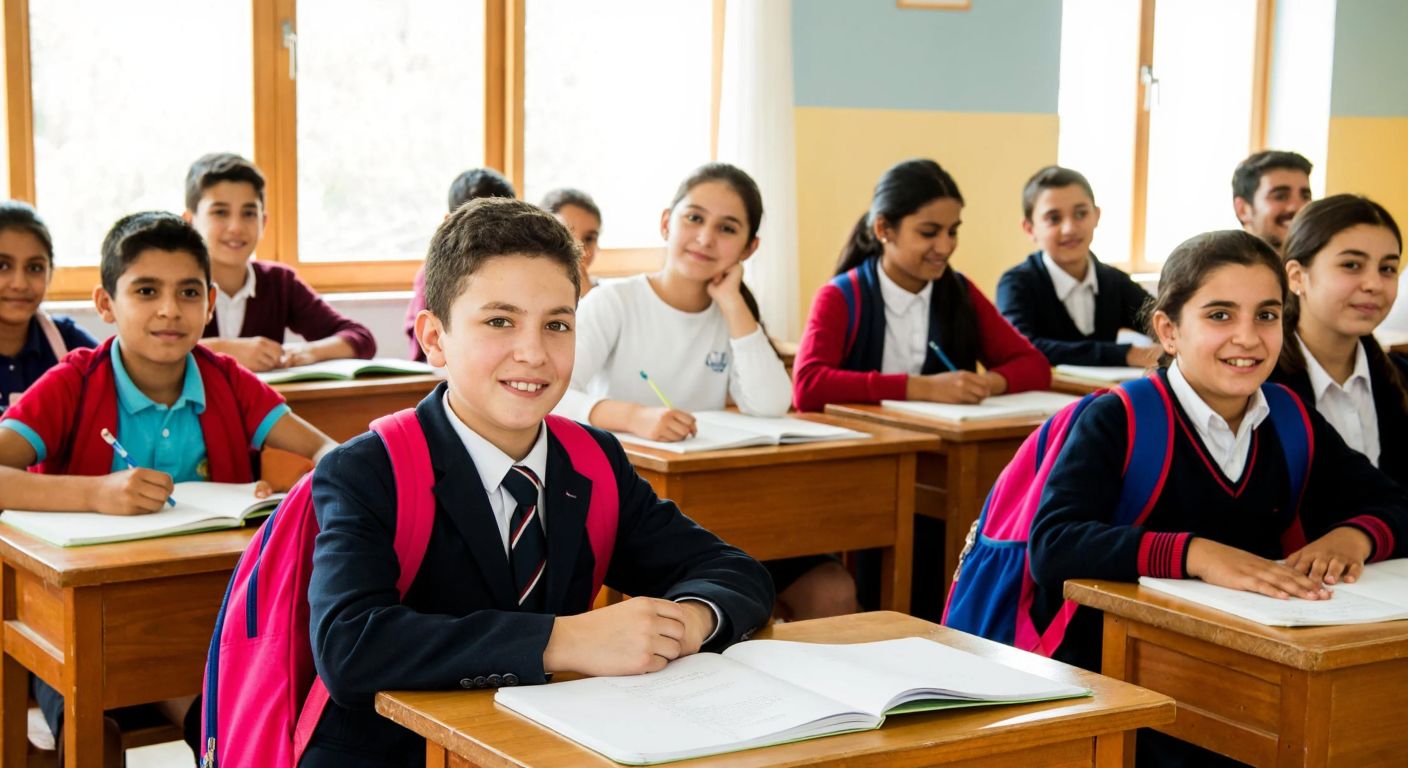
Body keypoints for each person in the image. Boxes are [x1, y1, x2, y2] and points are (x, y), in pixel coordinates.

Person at [304, 197, 773, 765]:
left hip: (548, 745)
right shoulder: (367, 469)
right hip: (396, 755)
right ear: (434, 339)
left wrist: (688, 621)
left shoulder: (591, 460)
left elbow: (735, 572)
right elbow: (351, 646)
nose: (533, 353)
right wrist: (566, 640)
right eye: (499, 321)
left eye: (557, 325)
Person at [1029, 229, 1408, 766]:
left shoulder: (1288, 415)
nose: (1248, 338)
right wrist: (1197, 555)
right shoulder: (1121, 417)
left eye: (1268, 316)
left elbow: (1393, 501)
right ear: (1169, 330)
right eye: (1220, 315)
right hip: (1118, 679)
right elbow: (1053, 545)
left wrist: (1355, 536)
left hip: (1246, 666)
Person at [185, 152, 376, 371]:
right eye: (220, 212)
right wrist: (224, 351)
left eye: (249, 213)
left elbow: (361, 338)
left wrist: (308, 352)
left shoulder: (279, 283)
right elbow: (142, 351)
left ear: (263, 222)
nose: (236, 227)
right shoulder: (175, 285)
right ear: (190, 221)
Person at [1272, 194, 1408, 480]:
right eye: (1351, 265)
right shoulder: (1260, 386)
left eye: (1387, 269)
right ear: (1297, 277)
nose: (1373, 284)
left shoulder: (1400, 378)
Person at [996, 165, 1158, 367]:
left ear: (1096, 216)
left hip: (1101, 395)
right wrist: (1125, 354)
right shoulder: (1017, 284)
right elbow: (1022, 347)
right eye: (1054, 218)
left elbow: (1162, 323)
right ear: (1030, 229)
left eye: (1081, 214)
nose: (1070, 228)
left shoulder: (1114, 282)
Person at [405, 168, 517, 360]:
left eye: (501, 225)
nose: (488, 236)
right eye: (476, 225)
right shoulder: (433, 274)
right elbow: (422, 351)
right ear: (448, 222)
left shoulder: (515, 271)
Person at [0, 201, 98, 414]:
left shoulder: (70, 343)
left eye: (34, 268)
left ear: (50, 273)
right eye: (3, 266)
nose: (19, 284)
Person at [1232, 150, 1313, 252]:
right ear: (1242, 210)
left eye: (1305, 196)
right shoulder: (1216, 266)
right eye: (1280, 196)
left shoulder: (1323, 265)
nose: (1298, 207)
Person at [540, 187, 602, 297]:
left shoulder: (607, 297)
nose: (580, 251)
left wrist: (588, 296)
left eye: (589, 239)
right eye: (567, 235)